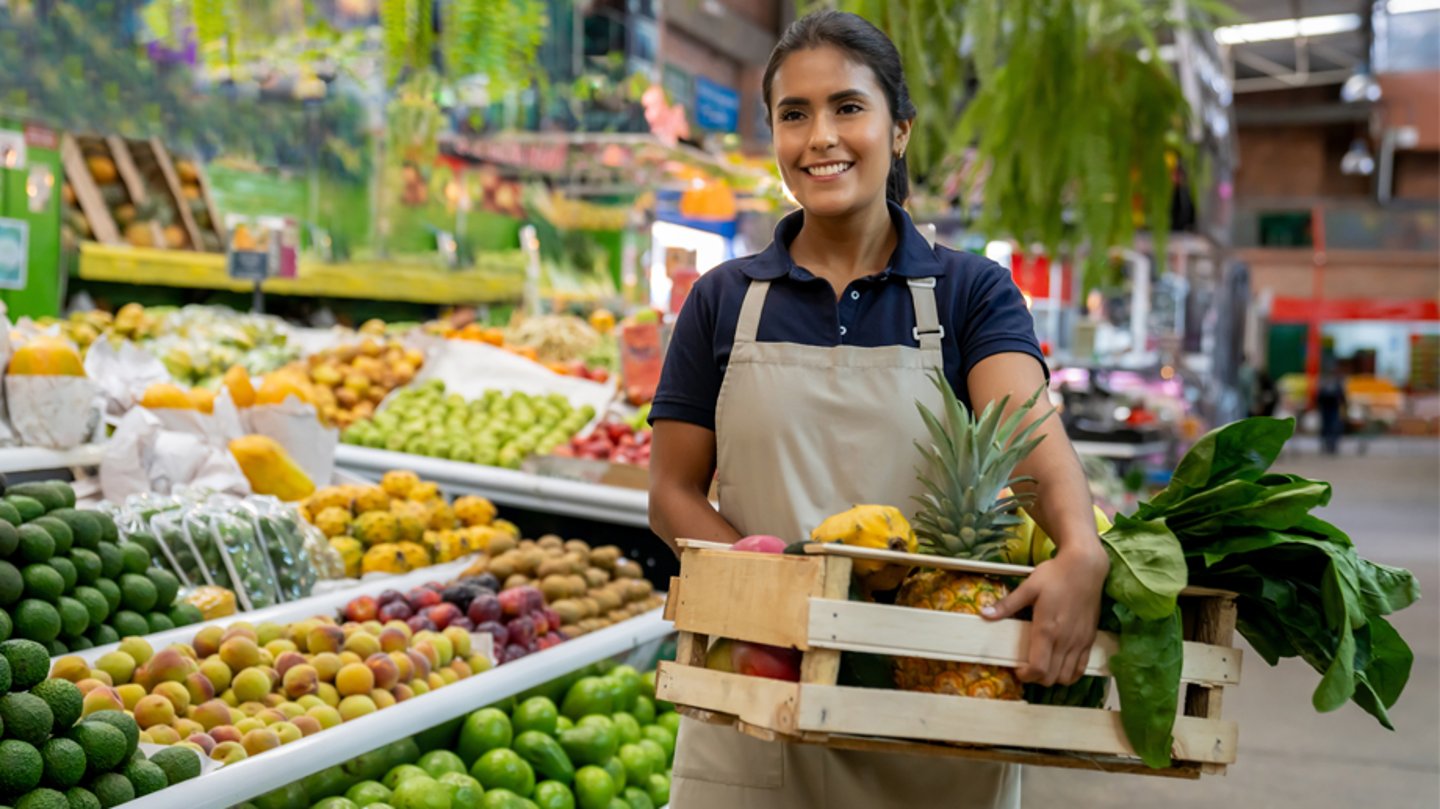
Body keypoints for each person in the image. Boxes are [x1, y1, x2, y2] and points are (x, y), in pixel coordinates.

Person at [646, 11, 1110, 807]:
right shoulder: (725, 300)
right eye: (794, 114)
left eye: (848, 107)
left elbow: (1029, 437)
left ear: (899, 130)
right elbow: (673, 492)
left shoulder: (969, 293)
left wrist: (1080, 549)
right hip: (758, 701)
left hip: (930, 707)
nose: (820, 136)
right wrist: (772, 598)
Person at [1316, 371, 1347, 454]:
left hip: (1328, 409)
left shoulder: (1325, 385)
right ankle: (1330, 445)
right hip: (1331, 409)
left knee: (1328, 427)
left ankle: (1329, 445)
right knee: (1331, 427)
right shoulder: (1335, 384)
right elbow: (1342, 397)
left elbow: (1319, 397)